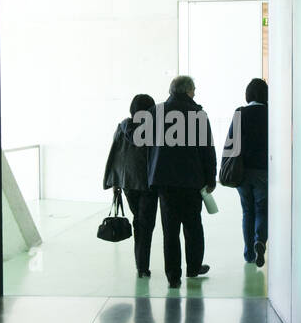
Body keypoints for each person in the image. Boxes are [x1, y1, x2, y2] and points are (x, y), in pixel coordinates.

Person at [148, 75, 216, 288]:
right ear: (187, 91)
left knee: (170, 230)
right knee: (193, 226)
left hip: (165, 182)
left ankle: (173, 276)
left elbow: (145, 147)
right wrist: (210, 178)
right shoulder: (198, 114)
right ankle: (194, 267)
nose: (195, 93)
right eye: (194, 89)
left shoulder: (155, 113)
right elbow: (207, 151)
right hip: (191, 181)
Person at [103, 94, 158, 278]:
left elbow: (116, 154)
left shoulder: (122, 127)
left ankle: (141, 265)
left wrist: (115, 182)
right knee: (146, 224)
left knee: (139, 221)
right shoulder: (153, 129)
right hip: (148, 183)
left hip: (128, 183)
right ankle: (142, 266)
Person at [225, 78, 269, 266]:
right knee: (262, 209)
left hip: (242, 170)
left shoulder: (240, 113)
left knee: (247, 211)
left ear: (248, 95)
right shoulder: (271, 113)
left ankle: (249, 253)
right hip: (263, 170)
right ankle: (260, 241)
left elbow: (231, 142)